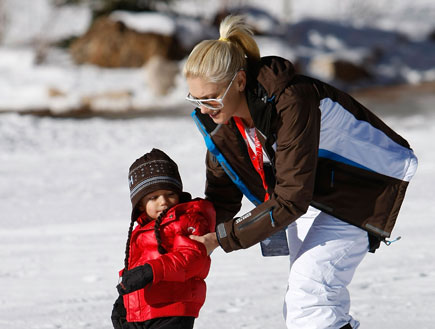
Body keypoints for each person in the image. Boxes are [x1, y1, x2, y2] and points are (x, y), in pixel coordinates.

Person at [183, 15, 418, 329]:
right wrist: (183, 230)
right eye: (195, 99)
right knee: (302, 307)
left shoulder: (292, 101)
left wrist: (222, 238)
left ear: (239, 82)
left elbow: (291, 198)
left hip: (363, 185)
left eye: (210, 98)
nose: (204, 109)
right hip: (312, 191)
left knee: (311, 300)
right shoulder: (225, 122)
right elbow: (222, 195)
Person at [111, 148, 216, 329]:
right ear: (140, 203)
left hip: (173, 309)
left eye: (170, 194)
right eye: (153, 197)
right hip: (144, 311)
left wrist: (150, 271)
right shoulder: (141, 229)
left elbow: (192, 258)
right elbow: (137, 270)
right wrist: (125, 301)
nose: (163, 201)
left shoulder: (186, 219)